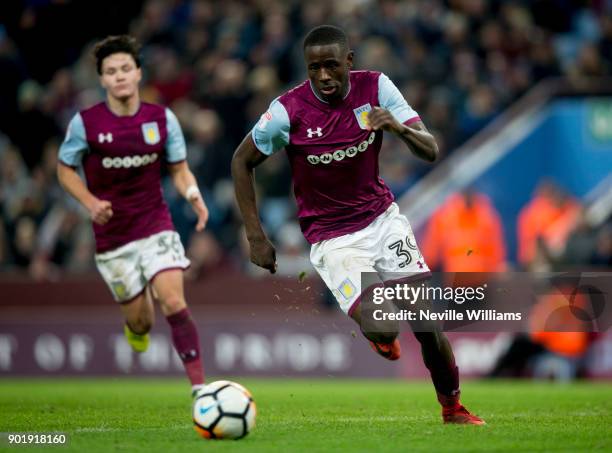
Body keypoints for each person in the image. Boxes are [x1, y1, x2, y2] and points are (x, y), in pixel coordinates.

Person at [232, 25, 484, 425]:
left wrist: (397, 127)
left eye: (332, 66)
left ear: (349, 61)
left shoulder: (377, 88)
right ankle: (379, 338)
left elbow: (431, 148)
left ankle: (452, 407)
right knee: (383, 328)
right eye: (314, 68)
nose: (324, 76)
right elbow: (241, 161)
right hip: (333, 239)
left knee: (426, 323)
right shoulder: (288, 111)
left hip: (383, 222)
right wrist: (255, 236)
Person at [57, 35, 208, 395]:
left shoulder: (162, 119)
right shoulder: (85, 124)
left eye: (126, 68)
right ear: (102, 80)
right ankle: (135, 328)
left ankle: (201, 391)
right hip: (113, 237)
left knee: (173, 300)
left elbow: (179, 168)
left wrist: (192, 195)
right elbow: (64, 170)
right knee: (141, 323)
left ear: (139, 73)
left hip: (155, 224)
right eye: (111, 71)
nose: (120, 76)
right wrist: (91, 203)